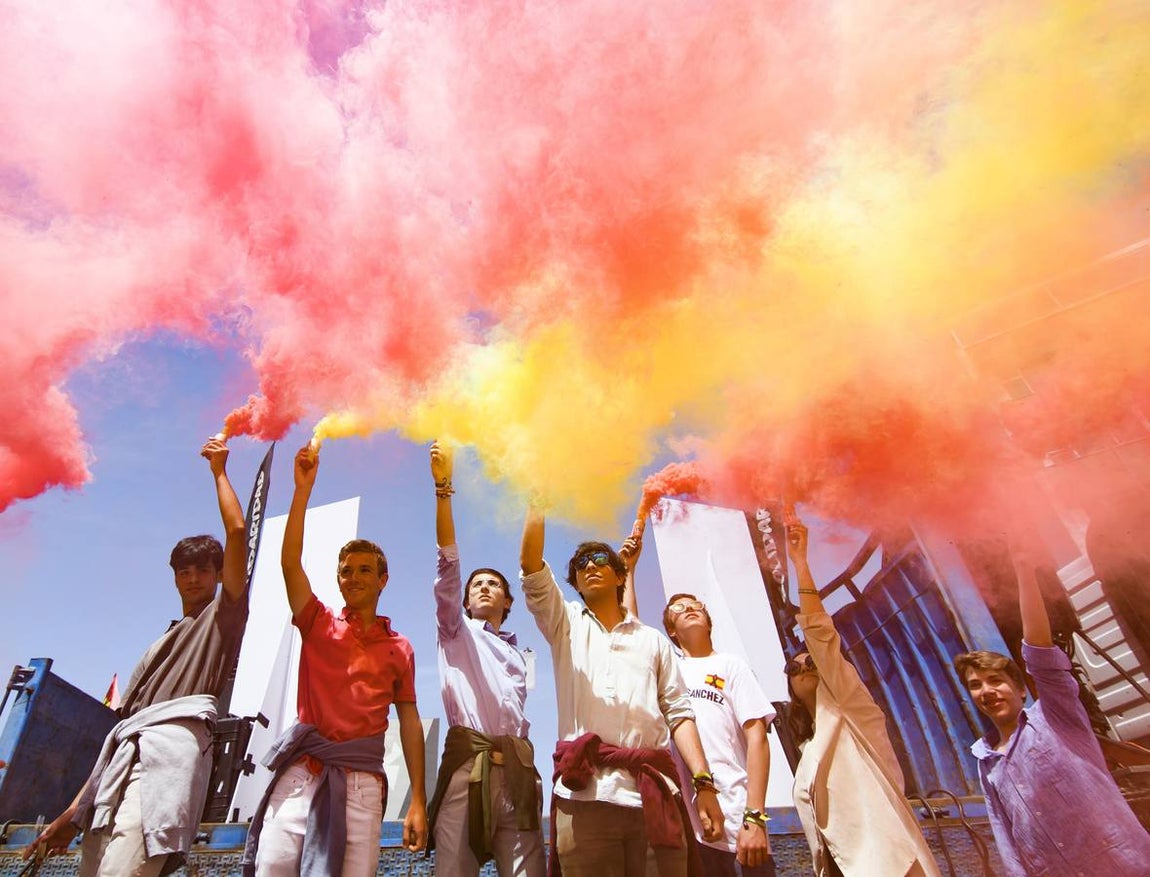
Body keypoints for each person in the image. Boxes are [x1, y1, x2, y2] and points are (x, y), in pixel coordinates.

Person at [25, 436, 250, 876]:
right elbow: (119, 738)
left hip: (167, 765)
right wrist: (72, 814)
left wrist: (219, 471)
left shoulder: (222, 619)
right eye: (183, 572)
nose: (192, 579)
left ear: (219, 574)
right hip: (117, 775)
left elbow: (238, 532)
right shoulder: (155, 648)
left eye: (202, 570)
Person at [242, 444, 427, 876]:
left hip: (362, 784)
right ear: (338, 580)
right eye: (347, 570)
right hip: (302, 775)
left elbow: (412, 723)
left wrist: (418, 798)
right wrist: (302, 491)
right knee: (273, 868)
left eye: (366, 570)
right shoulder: (317, 621)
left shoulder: (400, 647)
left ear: (383, 580)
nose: (355, 577)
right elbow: (290, 563)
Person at [519, 504, 724, 876]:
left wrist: (704, 784)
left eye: (599, 559)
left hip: (655, 795)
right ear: (577, 585)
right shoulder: (565, 625)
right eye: (581, 566)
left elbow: (679, 714)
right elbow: (531, 566)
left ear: (619, 577)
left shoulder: (654, 641)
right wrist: (538, 499)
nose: (590, 566)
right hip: (585, 798)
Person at [953, 529, 1150, 876]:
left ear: (1022, 690)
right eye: (975, 685)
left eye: (996, 680)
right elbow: (1005, 836)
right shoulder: (986, 760)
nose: (986, 690)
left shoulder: (1055, 718)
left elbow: (1040, 651)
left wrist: (1024, 573)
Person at [784, 510, 941, 877]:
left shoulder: (852, 709)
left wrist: (800, 565)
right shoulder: (809, 747)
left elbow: (820, 634)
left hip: (889, 865)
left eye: (813, 662)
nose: (805, 666)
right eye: (795, 666)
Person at [618, 530, 776, 877]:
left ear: (709, 621)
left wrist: (755, 816)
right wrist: (628, 570)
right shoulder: (668, 666)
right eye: (679, 609)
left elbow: (757, 739)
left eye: (696, 607)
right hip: (684, 821)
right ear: (670, 630)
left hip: (736, 819)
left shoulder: (731, 665)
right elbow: (631, 631)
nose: (689, 610)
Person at [424, 442, 546, 876]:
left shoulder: (517, 652)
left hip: (517, 771)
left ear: (507, 601)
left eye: (493, 583)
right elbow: (448, 565)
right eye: (476, 583)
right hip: (467, 770)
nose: (482, 587)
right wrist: (444, 489)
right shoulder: (455, 631)